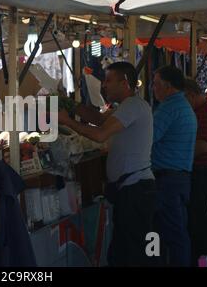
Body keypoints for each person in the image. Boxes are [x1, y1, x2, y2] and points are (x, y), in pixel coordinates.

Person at [58, 62, 156, 266]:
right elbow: (99, 119)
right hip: (130, 190)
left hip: (136, 190)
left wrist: (68, 121)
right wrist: (70, 105)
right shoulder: (126, 107)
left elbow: (100, 134)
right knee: (124, 249)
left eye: (109, 80)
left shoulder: (133, 106)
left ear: (125, 82)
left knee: (135, 250)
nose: (104, 85)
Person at [151, 66, 197, 267]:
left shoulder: (170, 108)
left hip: (166, 180)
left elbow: (147, 137)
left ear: (167, 86)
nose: (152, 88)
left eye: (155, 83)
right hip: (178, 178)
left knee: (166, 233)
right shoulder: (184, 107)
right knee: (175, 231)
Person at [184, 79, 207, 265]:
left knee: (200, 225)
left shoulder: (205, 113)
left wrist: (177, 155)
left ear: (191, 95)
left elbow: (202, 146)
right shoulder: (200, 111)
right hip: (199, 173)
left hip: (200, 173)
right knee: (198, 223)